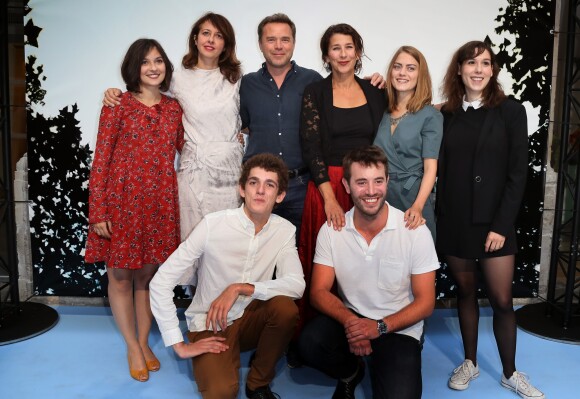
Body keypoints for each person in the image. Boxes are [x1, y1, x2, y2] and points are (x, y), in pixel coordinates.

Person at [437, 40, 544, 399]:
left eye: (485, 63)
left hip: (495, 222)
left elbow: (518, 174)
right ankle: (470, 361)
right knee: (465, 292)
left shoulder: (510, 111)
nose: (478, 69)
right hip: (456, 220)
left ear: (493, 70)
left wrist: (501, 225)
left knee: (501, 299)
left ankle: (511, 372)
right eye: (471, 63)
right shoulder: (446, 114)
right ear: (460, 69)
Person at [149, 153, 306, 399]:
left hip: (252, 318)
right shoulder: (213, 225)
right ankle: (220, 362)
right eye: (254, 183)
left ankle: (258, 383)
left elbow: (297, 285)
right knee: (222, 392)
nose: (260, 191)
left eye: (270, 185)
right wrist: (178, 344)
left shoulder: (284, 230)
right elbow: (160, 281)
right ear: (242, 189)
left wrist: (240, 288)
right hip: (211, 324)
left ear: (280, 195)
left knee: (286, 309)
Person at [104, 13, 244, 285]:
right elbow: (145, 92)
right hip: (193, 175)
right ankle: (197, 320)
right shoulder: (177, 79)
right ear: (195, 37)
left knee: (225, 247)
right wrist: (114, 92)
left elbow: (248, 116)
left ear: (226, 44)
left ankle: (228, 316)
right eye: (205, 33)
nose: (211, 40)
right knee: (193, 247)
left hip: (228, 176)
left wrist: (241, 135)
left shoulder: (236, 79)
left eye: (218, 35)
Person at [298, 145, 439, 399]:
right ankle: (351, 372)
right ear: (346, 185)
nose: (371, 191)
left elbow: (426, 303)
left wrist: (379, 328)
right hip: (351, 319)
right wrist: (353, 324)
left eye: (377, 181)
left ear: (387, 181)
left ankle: (388, 361)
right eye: (361, 182)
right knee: (309, 342)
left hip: (398, 327)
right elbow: (318, 292)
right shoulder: (332, 230)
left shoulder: (414, 231)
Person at [85, 38, 188, 382]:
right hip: (121, 201)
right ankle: (131, 345)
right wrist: (97, 211)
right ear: (134, 67)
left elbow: (191, 145)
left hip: (159, 203)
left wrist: (238, 132)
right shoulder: (117, 104)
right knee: (120, 276)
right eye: (145, 62)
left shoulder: (174, 109)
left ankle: (144, 343)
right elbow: (100, 159)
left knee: (147, 276)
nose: (153, 67)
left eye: (159, 60)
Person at [298, 23, 387, 329]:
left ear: (358, 52)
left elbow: (406, 112)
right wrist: (330, 199)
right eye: (336, 48)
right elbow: (311, 149)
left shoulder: (375, 92)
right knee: (322, 264)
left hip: (366, 187)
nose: (343, 53)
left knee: (363, 263)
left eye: (349, 47)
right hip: (328, 186)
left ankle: (364, 328)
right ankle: (313, 335)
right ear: (326, 55)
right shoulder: (315, 92)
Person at [240, 13, 322, 238]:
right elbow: (240, 124)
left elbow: (341, 99)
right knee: (256, 254)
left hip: (301, 187)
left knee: (300, 254)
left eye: (285, 39)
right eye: (271, 39)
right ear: (260, 44)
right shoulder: (246, 84)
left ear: (293, 43)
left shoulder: (313, 81)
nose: (278, 46)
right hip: (259, 188)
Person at [373, 46, 442, 240]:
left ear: (420, 75)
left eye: (411, 68)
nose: (402, 73)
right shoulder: (381, 109)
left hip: (413, 197)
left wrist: (418, 206)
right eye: (398, 67)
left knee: (417, 262)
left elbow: (430, 168)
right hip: (379, 197)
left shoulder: (430, 115)